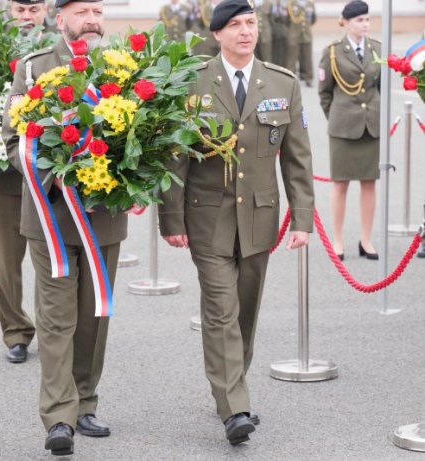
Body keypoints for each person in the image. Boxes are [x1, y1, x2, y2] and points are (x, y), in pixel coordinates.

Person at [159, 0, 314, 445]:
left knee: (245, 312)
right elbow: (175, 154)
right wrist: (170, 217)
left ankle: (231, 385)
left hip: (259, 218)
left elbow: (298, 159)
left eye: (251, 23)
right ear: (217, 34)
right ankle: (235, 407)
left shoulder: (281, 83)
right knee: (221, 310)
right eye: (235, 25)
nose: (246, 31)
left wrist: (301, 217)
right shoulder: (190, 80)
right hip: (206, 217)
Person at [3, 0, 126, 456]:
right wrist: (44, 169)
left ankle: (86, 401)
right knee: (56, 319)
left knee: (95, 315)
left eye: (98, 10)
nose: (92, 19)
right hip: (50, 213)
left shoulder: (123, 69)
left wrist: (131, 176)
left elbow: (142, 137)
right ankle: (58, 416)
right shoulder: (34, 70)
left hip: (104, 217)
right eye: (82, 11)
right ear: (61, 20)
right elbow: (12, 136)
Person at [0, 0, 50, 366]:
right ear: (7, 11)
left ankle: (53, 326)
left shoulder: (62, 50)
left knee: (53, 257)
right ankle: (15, 331)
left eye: (34, 9)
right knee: (8, 261)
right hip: (5, 175)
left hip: (50, 176)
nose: (26, 17)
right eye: (19, 9)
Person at [318, 0, 380, 261]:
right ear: (345, 22)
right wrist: (337, 118)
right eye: (359, 20)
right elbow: (324, 93)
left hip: (371, 125)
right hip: (343, 128)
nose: (364, 24)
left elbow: (381, 89)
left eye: (367, 19)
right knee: (340, 184)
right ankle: (338, 240)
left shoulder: (378, 49)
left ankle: (366, 239)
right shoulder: (332, 51)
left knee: (369, 184)